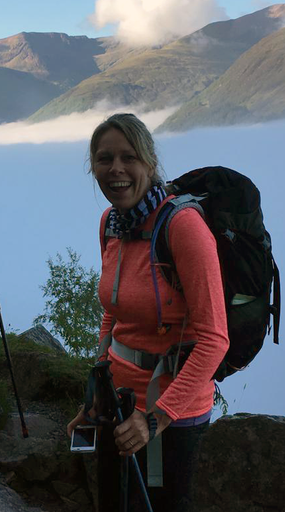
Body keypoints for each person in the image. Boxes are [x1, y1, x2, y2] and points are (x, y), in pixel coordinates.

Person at [67, 113, 229, 511]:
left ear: (150, 164)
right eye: (104, 159)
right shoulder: (111, 223)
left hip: (172, 415)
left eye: (129, 157)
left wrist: (155, 419)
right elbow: (113, 313)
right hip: (117, 402)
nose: (116, 169)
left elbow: (214, 340)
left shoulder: (183, 227)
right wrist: (95, 395)